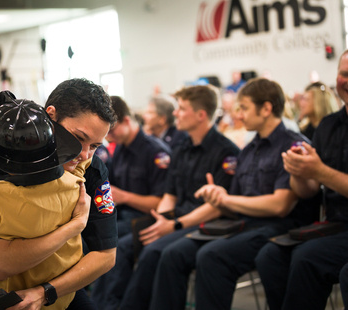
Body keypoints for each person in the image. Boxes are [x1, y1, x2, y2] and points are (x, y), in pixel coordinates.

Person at [0, 79, 118, 310]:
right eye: (78, 138)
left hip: (55, 284)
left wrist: (46, 292)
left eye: (95, 145)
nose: (85, 154)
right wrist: (74, 226)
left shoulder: (91, 169)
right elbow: (1, 264)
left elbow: (106, 255)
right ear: (51, 116)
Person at [149, 77, 319, 310]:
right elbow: (234, 203)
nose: (238, 116)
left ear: (267, 109)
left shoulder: (291, 145)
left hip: (281, 226)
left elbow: (280, 206)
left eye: (244, 108)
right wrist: (218, 196)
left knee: (211, 256)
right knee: (176, 253)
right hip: (244, 224)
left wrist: (227, 199)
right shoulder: (248, 150)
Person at [93, 85, 240, 310]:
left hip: (205, 223)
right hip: (175, 219)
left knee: (156, 252)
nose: (175, 113)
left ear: (200, 115)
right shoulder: (182, 148)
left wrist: (173, 224)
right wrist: (160, 220)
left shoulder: (226, 152)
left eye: (181, 109)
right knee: (116, 241)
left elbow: (217, 207)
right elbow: (170, 196)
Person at [254, 51, 348, 310]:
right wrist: (298, 172)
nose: (346, 81)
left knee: (309, 258)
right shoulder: (329, 126)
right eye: (343, 74)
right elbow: (306, 191)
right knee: (271, 256)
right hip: (335, 225)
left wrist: (319, 172)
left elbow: (321, 176)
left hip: (338, 231)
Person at [104, 96, 171, 238]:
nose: (108, 137)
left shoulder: (157, 153)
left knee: (104, 238)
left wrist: (124, 197)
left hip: (147, 219)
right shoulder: (119, 148)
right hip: (121, 214)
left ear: (127, 121)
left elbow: (162, 203)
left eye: (111, 131)